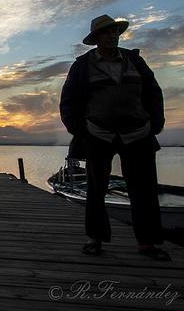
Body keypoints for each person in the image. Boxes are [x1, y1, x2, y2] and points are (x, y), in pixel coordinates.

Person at [59, 14, 170, 261]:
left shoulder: (134, 61)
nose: (112, 36)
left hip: (138, 134)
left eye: (115, 33)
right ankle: (94, 239)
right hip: (99, 134)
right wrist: (80, 130)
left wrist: (155, 124)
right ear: (97, 38)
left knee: (144, 190)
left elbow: (154, 92)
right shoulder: (82, 65)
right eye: (106, 33)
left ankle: (148, 243)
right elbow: (68, 101)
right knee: (96, 190)